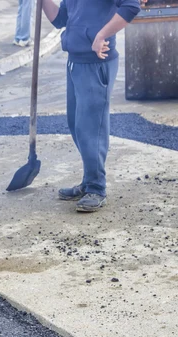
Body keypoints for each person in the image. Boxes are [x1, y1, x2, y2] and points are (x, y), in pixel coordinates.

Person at [42, 0, 140, 212]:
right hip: (75, 60)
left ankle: (97, 188)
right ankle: (88, 181)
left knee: (91, 128)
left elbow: (131, 6)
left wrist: (102, 35)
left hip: (97, 61)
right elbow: (60, 19)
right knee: (77, 125)